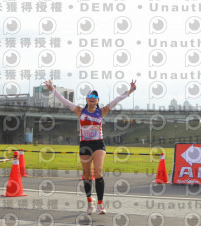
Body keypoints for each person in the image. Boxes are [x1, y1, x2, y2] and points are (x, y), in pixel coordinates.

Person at [44, 80, 137, 215]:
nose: (92, 98)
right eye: (90, 97)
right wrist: (52, 89)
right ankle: (89, 202)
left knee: (98, 171)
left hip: (98, 144)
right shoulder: (79, 111)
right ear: (87, 99)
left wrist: (130, 91)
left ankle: (100, 204)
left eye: (95, 97)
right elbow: (64, 101)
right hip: (85, 144)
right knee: (87, 175)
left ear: (97, 100)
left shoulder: (102, 111)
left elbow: (116, 100)